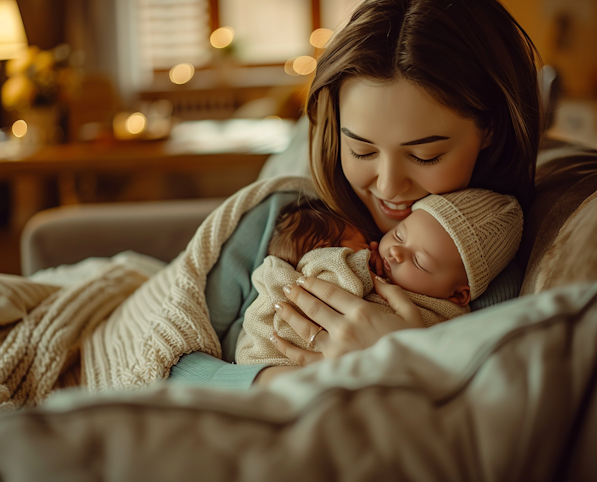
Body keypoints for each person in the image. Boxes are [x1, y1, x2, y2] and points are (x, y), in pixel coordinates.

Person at [168, 0, 542, 388]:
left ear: (491, 131)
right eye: (362, 150)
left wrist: (411, 363)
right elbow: (164, 359)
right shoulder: (280, 220)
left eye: (424, 155)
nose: (387, 185)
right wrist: (281, 384)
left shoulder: (487, 278)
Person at [236, 189, 523, 366]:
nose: (396, 251)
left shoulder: (450, 318)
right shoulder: (297, 214)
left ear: (457, 295)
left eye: (420, 261)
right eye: (399, 234)